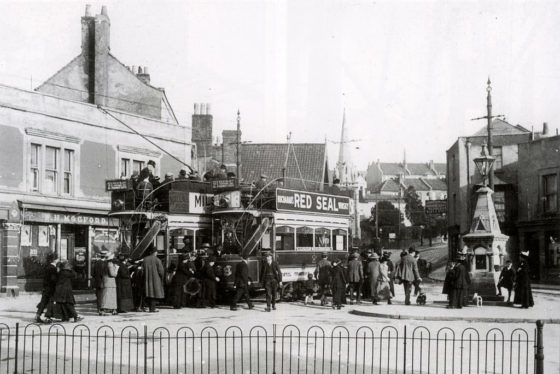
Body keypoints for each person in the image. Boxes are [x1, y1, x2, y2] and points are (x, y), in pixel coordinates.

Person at [35, 251, 59, 323]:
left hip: (46, 287)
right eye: (57, 259)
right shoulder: (53, 268)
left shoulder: (47, 266)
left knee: (43, 302)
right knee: (50, 302)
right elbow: (53, 279)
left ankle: (38, 315)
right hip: (51, 288)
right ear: (55, 260)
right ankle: (48, 317)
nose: (58, 260)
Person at [143, 246, 165, 312]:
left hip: (147, 279)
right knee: (154, 293)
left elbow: (142, 269)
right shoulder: (157, 260)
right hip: (156, 279)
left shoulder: (145, 259)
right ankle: (152, 308)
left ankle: (150, 307)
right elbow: (161, 271)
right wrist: (162, 277)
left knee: (149, 292)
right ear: (155, 252)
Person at [91, 250, 108, 315]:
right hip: (103, 281)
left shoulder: (96, 263)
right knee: (103, 296)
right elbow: (106, 273)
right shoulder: (106, 263)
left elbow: (93, 273)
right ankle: (102, 309)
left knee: (98, 296)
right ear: (105, 256)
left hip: (97, 281)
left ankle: (99, 309)